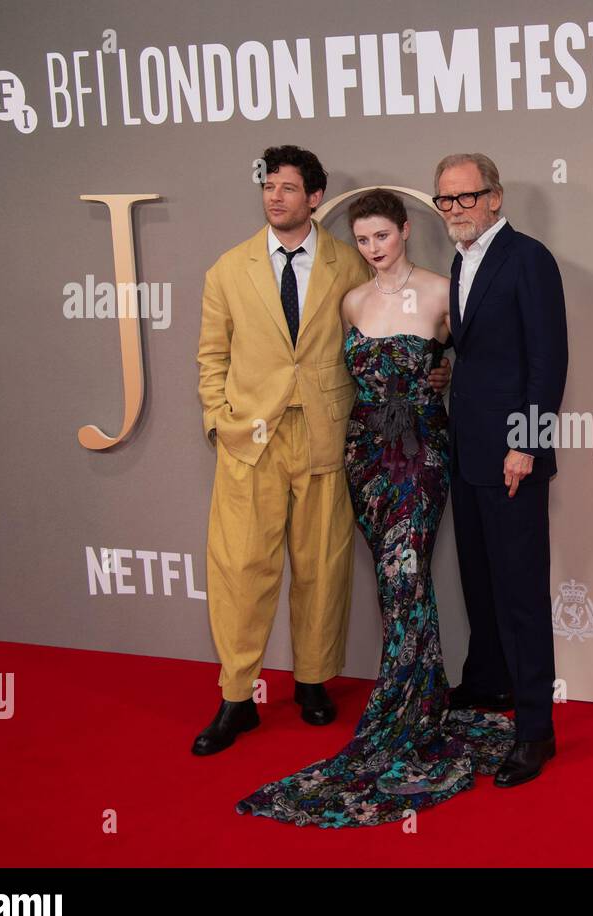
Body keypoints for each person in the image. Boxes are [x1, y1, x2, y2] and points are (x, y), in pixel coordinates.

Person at [236, 189, 515, 827]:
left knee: (405, 571)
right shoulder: (351, 301)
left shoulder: (444, 292)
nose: (372, 249)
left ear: (406, 231)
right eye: (362, 240)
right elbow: (331, 378)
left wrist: (442, 374)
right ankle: (422, 695)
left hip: (420, 451)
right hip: (365, 454)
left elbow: (480, 366)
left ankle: (410, 705)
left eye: (382, 237)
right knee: (396, 585)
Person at [193, 149, 449, 756]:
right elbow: (211, 358)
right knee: (240, 568)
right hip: (251, 441)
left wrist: (437, 371)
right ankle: (236, 696)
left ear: (315, 197)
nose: (275, 197)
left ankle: (312, 681)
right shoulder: (227, 269)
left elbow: (391, 333)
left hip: (331, 436)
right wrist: (220, 422)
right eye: (268, 187)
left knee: (322, 566)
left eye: (288, 188)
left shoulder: (350, 264)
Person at [436, 153, 568, 787]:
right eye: (446, 200)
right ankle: (488, 684)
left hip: (512, 457)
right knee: (480, 581)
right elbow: (484, 355)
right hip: (468, 452)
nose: (456, 210)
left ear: (494, 196)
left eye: (467, 197)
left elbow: (548, 363)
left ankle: (535, 729)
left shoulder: (529, 258)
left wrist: (528, 446)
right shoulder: (461, 260)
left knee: (519, 593)